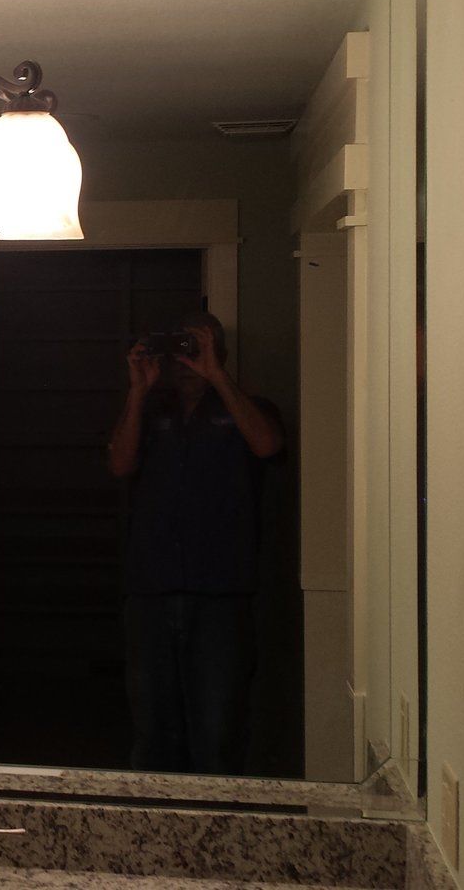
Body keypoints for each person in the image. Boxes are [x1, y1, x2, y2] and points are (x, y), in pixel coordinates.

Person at [105, 313, 283, 774]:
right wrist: (138, 389)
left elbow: (266, 445)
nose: (184, 360)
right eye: (177, 349)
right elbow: (120, 464)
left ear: (218, 351)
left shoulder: (247, 406)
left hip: (222, 594)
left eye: (193, 347)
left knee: (218, 730)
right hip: (151, 590)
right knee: (151, 731)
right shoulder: (150, 411)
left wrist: (216, 376)